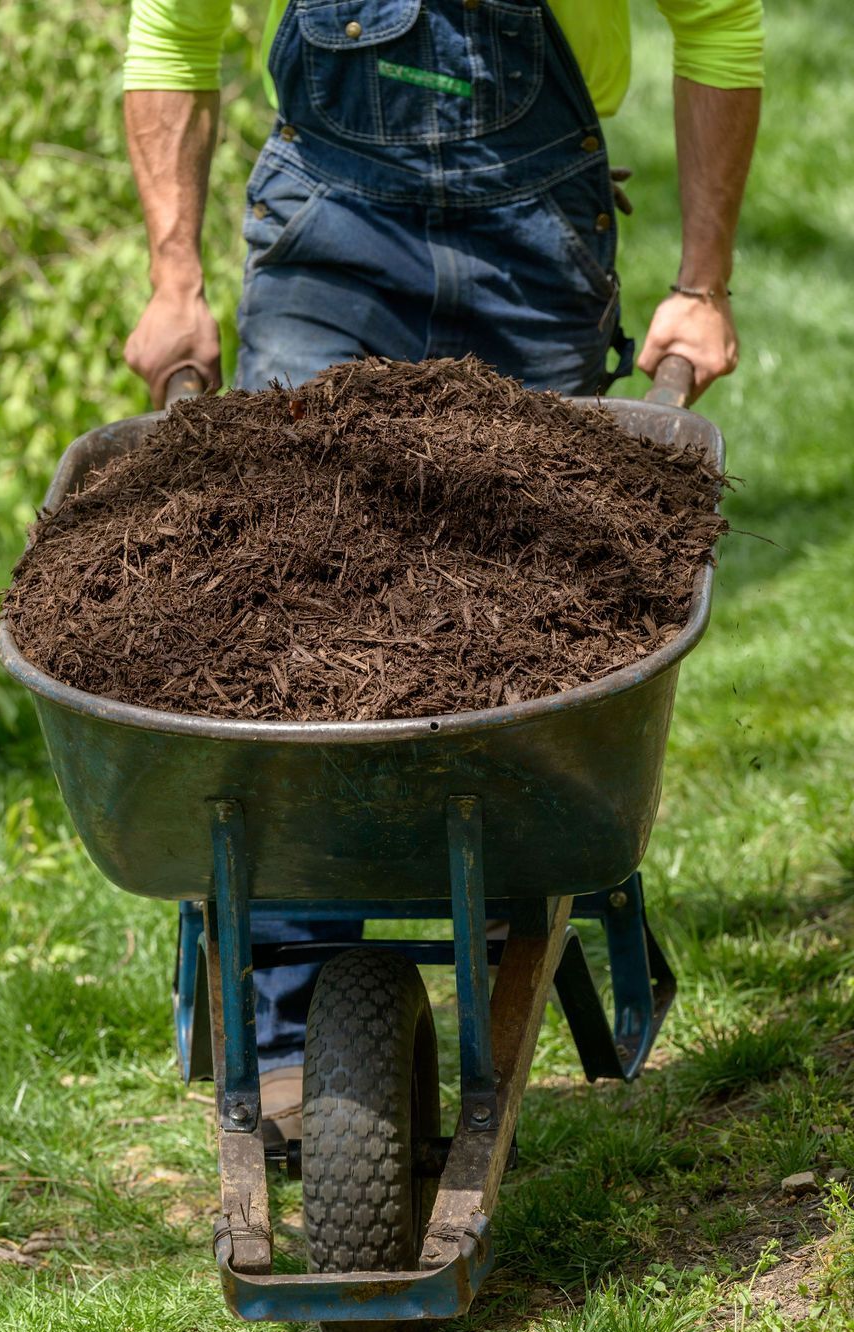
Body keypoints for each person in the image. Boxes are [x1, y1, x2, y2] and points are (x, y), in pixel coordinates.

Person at [121, 0, 763, 1141]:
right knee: (271, 598)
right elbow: (172, 38)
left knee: (527, 609)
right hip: (325, 227)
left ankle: (496, 947)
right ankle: (282, 1017)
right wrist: (175, 280)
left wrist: (703, 287)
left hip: (535, 242)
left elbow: (719, 23)